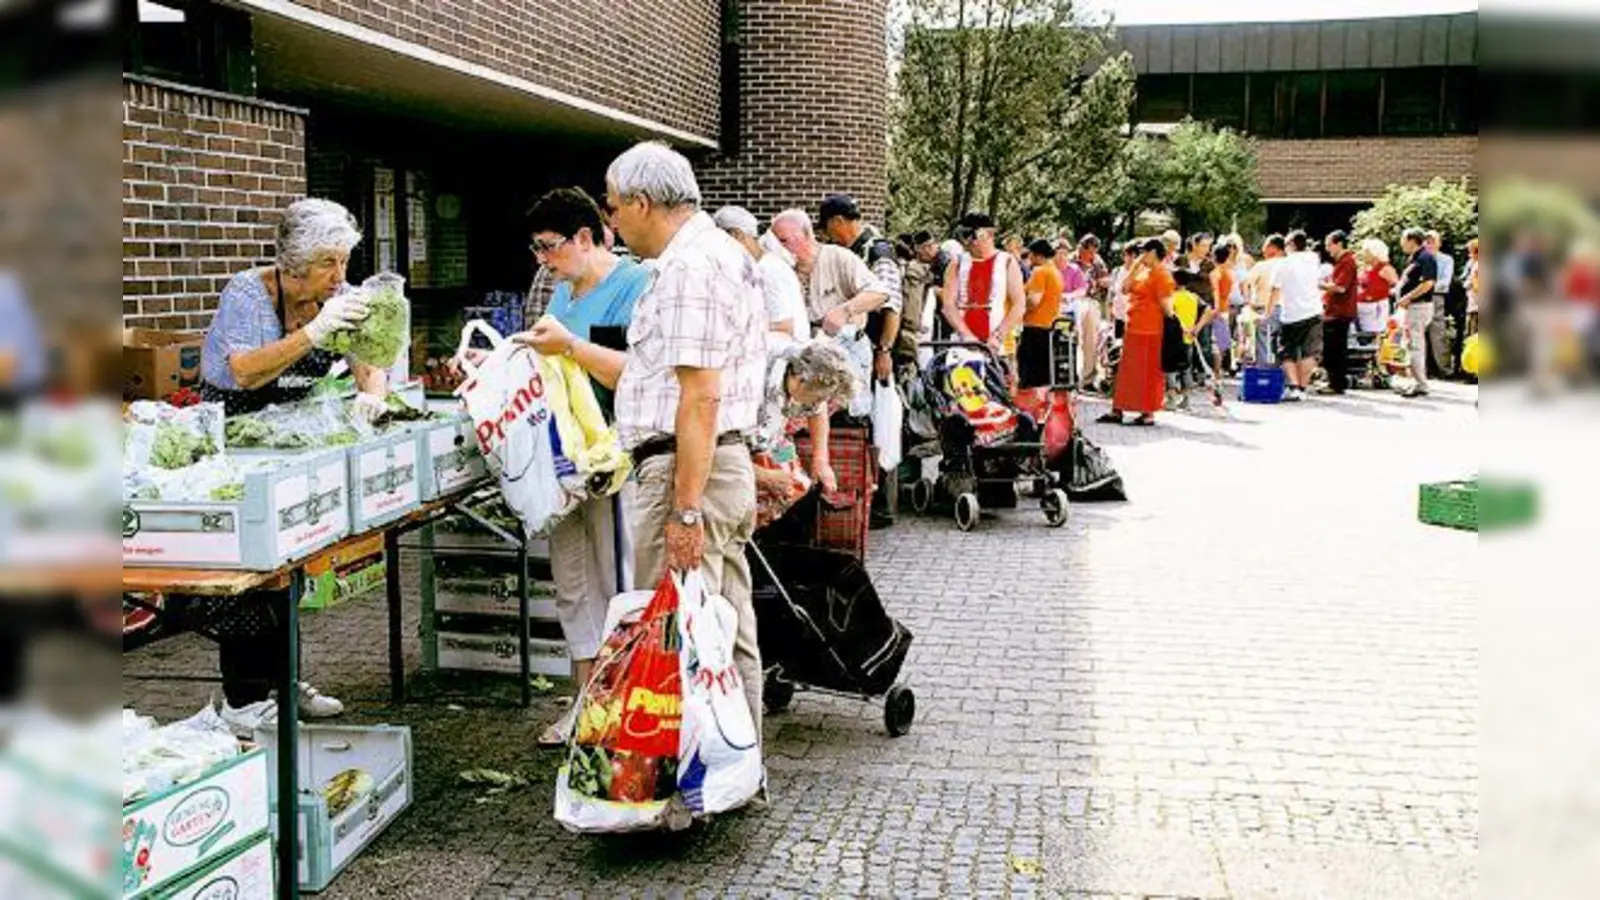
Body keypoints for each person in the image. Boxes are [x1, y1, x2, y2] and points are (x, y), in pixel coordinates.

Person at [521, 141, 768, 734]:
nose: (611, 221)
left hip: (688, 468)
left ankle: (679, 789)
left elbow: (701, 396)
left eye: (612, 207)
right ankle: (732, 765)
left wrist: (684, 510)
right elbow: (656, 376)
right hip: (709, 462)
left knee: (677, 632)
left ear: (641, 201)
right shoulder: (711, 257)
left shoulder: (689, 268)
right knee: (723, 625)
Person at [198, 197, 379, 733]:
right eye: (330, 262)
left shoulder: (338, 295)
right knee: (251, 575)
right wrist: (314, 334)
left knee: (289, 570)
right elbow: (245, 372)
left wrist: (372, 395)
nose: (340, 275)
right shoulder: (248, 294)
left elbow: (369, 361)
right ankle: (244, 699)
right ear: (294, 262)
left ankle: (282, 679)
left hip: (290, 444)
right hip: (236, 443)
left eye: (344, 261)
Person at [521, 187, 649, 747]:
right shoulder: (562, 294)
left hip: (616, 464)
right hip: (565, 464)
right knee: (572, 584)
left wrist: (569, 345)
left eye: (549, 248)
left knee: (618, 583)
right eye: (536, 250)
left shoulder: (633, 288)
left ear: (584, 238)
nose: (543, 261)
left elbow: (630, 374)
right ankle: (583, 705)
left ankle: (623, 705)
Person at [750, 342, 854, 529]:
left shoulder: (811, 378)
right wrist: (765, 476)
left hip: (775, 442)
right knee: (761, 493)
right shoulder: (756, 378)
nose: (817, 403)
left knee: (798, 482)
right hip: (743, 447)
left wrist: (821, 460)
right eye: (816, 399)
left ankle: (762, 520)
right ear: (798, 379)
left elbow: (818, 411)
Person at [818, 194, 903, 386]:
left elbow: (891, 306)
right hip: (848, 346)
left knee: (874, 410)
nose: (826, 234)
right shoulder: (848, 252)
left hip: (874, 347)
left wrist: (884, 350)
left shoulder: (878, 252)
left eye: (826, 226)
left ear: (837, 221)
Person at [1099, 238, 1174, 426]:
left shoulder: (1162, 275)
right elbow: (1124, 288)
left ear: (1154, 252)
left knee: (1148, 372)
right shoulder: (1142, 272)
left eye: (1144, 252)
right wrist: (1135, 267)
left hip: (1151, 331)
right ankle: (1119, 409)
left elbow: (1167, 307)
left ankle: (1147, 412)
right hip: (1133, 328)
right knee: (1128, 371)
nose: (1140, 256)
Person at [713, 205, 809, 353]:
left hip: (786, 356)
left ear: (736, 234)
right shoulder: (760, 265)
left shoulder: (768, 269)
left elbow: (784, 326)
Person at [940, 212, 1027, 361]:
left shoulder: (1007, 261)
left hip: (997, 345)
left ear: (987, 234)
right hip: (962, 346)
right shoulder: (957, 263)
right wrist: (965, 334)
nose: (969, 242)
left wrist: (999, 335)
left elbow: (1019, 304)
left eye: (972, 235)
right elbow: (948, 304)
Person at [1273, 230, 1324, 401]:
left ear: (1292, 245)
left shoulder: (1284, 263)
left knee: (1286, 352)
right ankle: (1303, 387)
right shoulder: (1314, 259)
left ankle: (1294, 386)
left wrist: (1267, 311)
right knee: (1311, 352)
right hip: (1313, 311)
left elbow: (1275, 288)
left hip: (1290, 314)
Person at [1395, 227, 1439, 397]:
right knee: (1412, 343)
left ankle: (1420, 384)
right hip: (1413, 307)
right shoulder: (1415, 258)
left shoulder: (1425, 257)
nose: (1401, 243)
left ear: (1412, 240)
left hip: (1419, 306)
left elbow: (1428, 283)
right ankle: (1417, 380)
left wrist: (1408, 297)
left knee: (1415, 344)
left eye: (1403, 239)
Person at [1017, 238, 1064, 390]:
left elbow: (1034, 300)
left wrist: (1018, 309)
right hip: (1049, 326)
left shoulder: (1040, 272)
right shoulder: (1055, 272)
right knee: (1045, 375)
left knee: (1029, 376)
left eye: (1031, 255)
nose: (1029, 258)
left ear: (1038, 255)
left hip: (1035, 327)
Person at [1318, 230, 1359, 395]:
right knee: (1334, 348)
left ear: (1339, 244)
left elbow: (1341, 287)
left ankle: (1336, 383)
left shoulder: (1347, 262)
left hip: (1339, 311)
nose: (1327, 249)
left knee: (1335, 349)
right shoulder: (1341, 261)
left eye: (1329, 245)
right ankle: (1334, 381)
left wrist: (1321, 284)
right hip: (1335, 310)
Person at [1244, 235, 1286, 368]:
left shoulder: (1262, 266)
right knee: (1285, 345)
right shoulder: (1290, 265)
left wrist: (1249, 301)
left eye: (1265, 246)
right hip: (1290, 310)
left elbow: (1245, 283)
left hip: (1265, 308)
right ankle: (1286, 377)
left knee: (1265, 343)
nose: (1263, 250)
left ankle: (1266, 374)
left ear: (1272, 248)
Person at [1425, 230, 1455, 378]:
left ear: (1439, 243)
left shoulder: (1446, 259)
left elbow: (1445, 283)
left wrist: (1427, 286)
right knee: (1417, 334)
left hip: (1436, 297)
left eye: (1433, 241)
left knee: (1438, 334)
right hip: (1420, 297)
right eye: (1427, 241)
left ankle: (1445, 369)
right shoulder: (1420, 258)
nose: (1429, 244)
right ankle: (1421, 369)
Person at [1356, 238, 1399, 335]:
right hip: (1361, 310)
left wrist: (1385, 292)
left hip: (1377, 310)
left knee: (1375, 337)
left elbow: (1398, 286)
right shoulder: (1365, 268)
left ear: (1374, 253)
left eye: (1366, 252)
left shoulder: (1385, 268)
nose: (1363, 254)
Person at [1208, 241, 1238, 377]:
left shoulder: (1215, 273)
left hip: (1217, 309)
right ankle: (1219, 370)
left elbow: (1215, 291)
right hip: (1225, 308)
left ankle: (1217, 372)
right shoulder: (1229, 273)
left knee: (1216, 344)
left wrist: (1215, 309)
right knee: (1223, 342)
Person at [1464, 238, 1481, 337]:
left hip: (1477, 307)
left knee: (1473, 337)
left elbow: (1476, 286)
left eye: (1470, 252)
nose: (1469, 255)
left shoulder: (1477, 266)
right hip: (1474, 306)